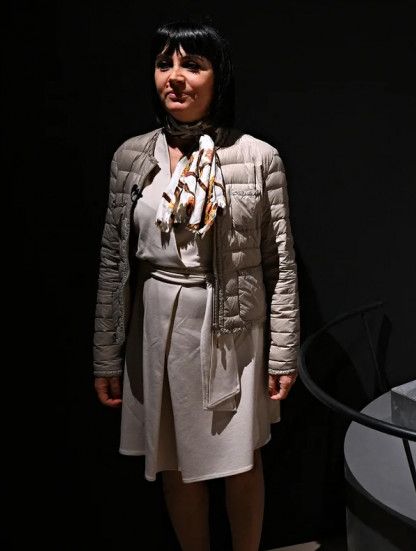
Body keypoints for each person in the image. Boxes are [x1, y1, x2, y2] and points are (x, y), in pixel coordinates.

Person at [92, 20, 299, 550]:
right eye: (165, 64)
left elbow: (279, 264)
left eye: (193, 65)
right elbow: (114, 263)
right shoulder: (131, 157)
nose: (175, 77)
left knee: (240, 461)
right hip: (157, 326)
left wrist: (282, 353)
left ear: (218, 77)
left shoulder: (257, 157)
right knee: (175, 463)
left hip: (232, 327)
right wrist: (106, 356)